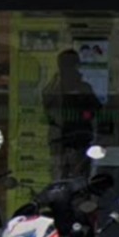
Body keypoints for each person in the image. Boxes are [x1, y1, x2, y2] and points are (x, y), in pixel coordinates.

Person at [42, 49, 103, 177]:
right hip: (66, 140)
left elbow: (94, 111)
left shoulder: (55, 87)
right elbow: (94, 111)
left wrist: (85, 116)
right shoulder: (56, 87)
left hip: (73, 140)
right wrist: (85, 116)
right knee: (68, 177)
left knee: (68, 176)